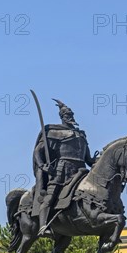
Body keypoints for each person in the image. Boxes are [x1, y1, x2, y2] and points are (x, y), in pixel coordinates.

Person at [33, 99, 96, 236]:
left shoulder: (81, 135)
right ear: (62, 117)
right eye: (67, 115)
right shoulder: (55, 133)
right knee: (50, 196)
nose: (70, 117)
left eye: (71, 114)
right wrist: (42, 165)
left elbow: (88, 159)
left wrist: (99, 159)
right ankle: (43, 226)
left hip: (81, 170)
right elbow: (38, 151)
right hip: (62, 171)